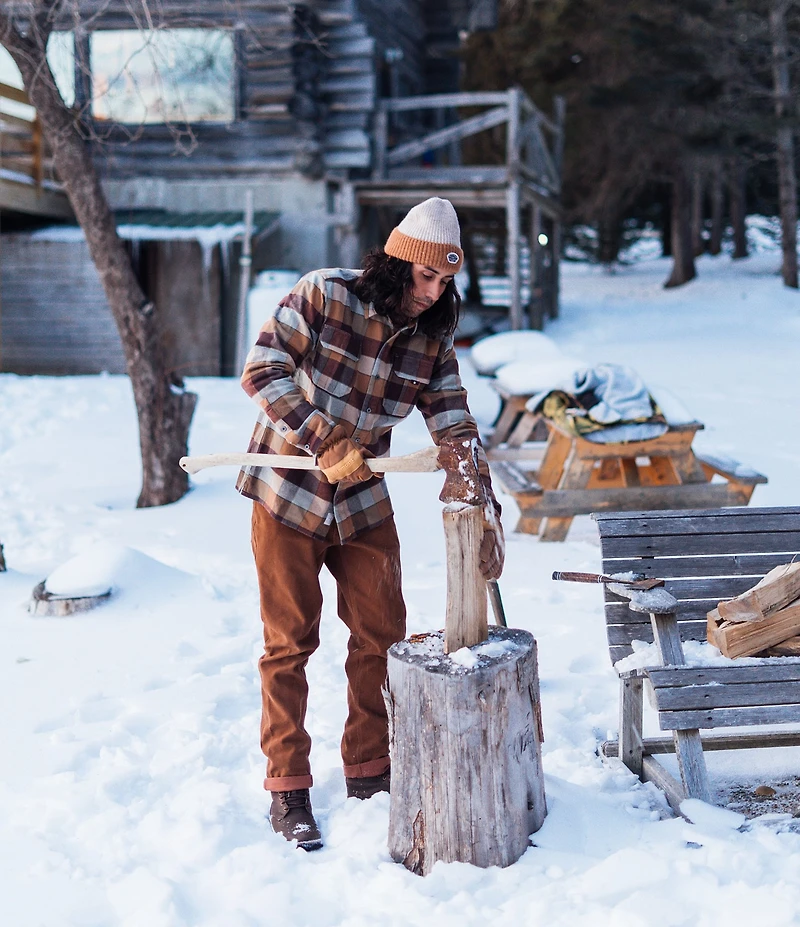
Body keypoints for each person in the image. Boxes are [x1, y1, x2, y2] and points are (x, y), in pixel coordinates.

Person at [236, 197, 504, 850]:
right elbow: (262, 369)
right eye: (423, 277)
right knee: (289, 643)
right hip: (288, 489)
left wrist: (476, 484)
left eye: (445, 280)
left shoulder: (433, 333)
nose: (433, 291)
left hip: (361, 495)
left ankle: (368, 768)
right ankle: (288, 786)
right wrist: (322, 436)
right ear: (395, 264)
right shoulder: (323, 296)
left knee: (382, 633)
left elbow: (450, 411)